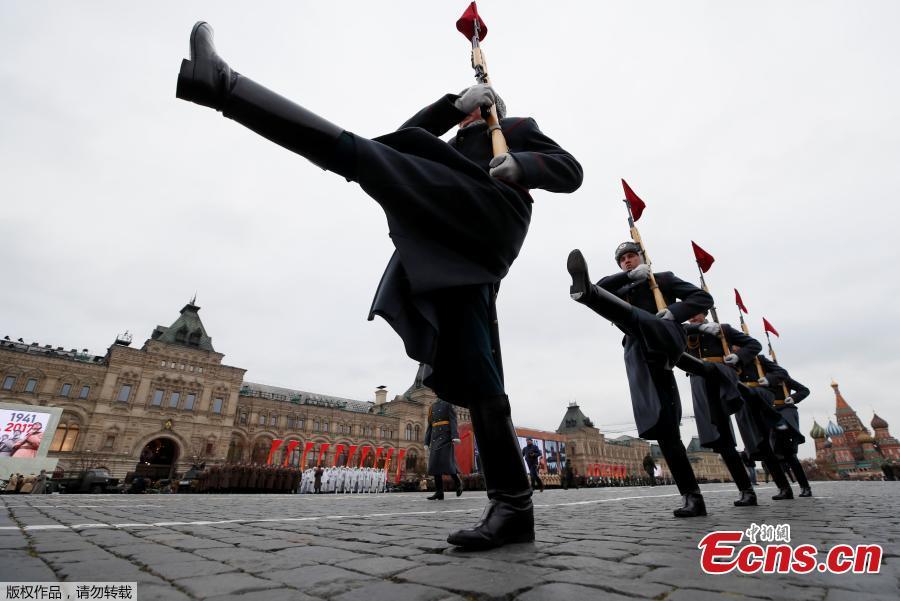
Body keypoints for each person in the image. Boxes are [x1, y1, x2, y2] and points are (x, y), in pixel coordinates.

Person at [176, 22, 582, 549]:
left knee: (363, 157)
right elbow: (400, 138)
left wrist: (520, 163)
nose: (477, 110)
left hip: (490, 214)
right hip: (454, 250)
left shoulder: (517, 126)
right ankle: (513, 507)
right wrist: (451, 107)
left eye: (480, 104)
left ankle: (225, 86)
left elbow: (570, 170)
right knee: (481, 374)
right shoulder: (453, 136)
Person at [566, 243, 713, 517]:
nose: (627, 262)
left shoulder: (663, 279)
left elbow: (703, 299)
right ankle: (692, 497)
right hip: (639, 350)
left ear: (643, 257)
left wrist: (674, 312)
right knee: (664, 429)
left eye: (632, 256)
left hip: (665, 334)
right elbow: (603, 285)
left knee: (634, 315)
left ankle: (587, 295)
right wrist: (628, 278)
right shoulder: (624, 285)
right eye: (622, 260)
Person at [683, 312, 761, 506]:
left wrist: (737, 357)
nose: (693, 318)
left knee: (723, 435)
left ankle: (747, 490)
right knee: (715, 437)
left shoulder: (723, 329)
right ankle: (746, 489)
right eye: (690, 314)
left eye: (697, 314)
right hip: (698, 383)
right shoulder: (684, 330)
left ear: (705, 313)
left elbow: (754, 345)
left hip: (719, 379)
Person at [733, 349, 796, 500]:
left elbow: (781, 373)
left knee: (766, 444)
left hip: (760, 399)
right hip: (742, 402)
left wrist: (768, 380)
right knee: (757, 445)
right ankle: (783, 487)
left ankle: (784, 487)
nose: (734, 348)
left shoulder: (759, 359)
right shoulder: (729, 361)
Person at [758, 355, 813, 497]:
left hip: (784, 411)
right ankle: (784, 489)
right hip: (767, 414)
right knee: (773, 454)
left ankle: (805, 487)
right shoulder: (756, 379)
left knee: (790, 455)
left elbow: (804, 390)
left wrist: (793, 398)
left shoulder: (782, 378)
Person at [423, 398, 463, 500]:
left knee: (447, 463)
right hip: (435, 438)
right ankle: (439, 492)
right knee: (434, 465)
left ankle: (458, 482)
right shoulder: (432, 407)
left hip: (446, 437)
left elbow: (453, 421)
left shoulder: (448, 404)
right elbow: (430, 426)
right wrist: (426, 442)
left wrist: (455, 436)